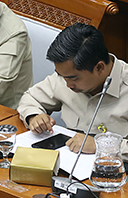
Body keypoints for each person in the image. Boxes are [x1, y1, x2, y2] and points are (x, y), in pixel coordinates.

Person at [18, 23, 128, 155]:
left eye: (74, 79)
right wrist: (34, 116)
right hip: (67, 161)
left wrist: (101, 145)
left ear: (99, 68)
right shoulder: (66, 76)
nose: (68, 84)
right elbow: (31, 97)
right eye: (61, 76)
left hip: (113, 169)